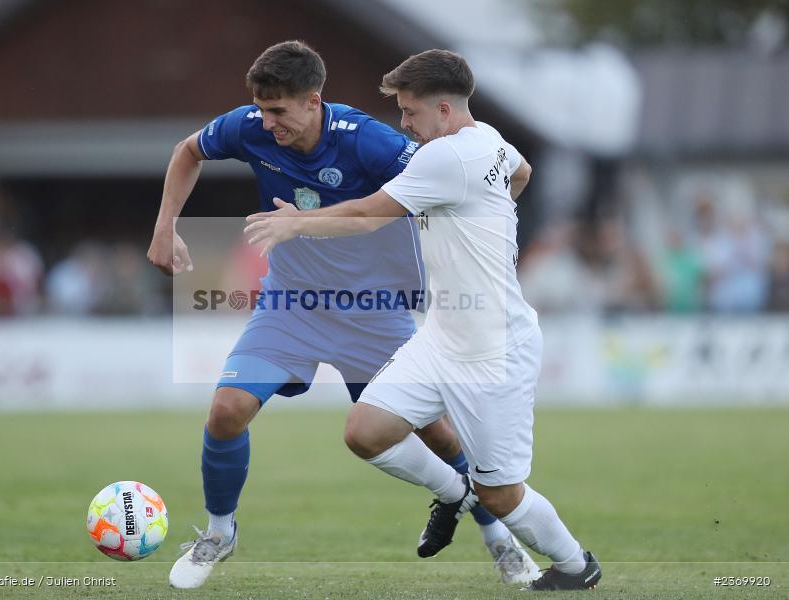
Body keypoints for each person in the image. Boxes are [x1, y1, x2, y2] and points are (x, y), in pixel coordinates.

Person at [146, 41, 536, 589]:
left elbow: (395, 210)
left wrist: (303, 224)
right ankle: (218, 532)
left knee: (442, 438)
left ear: (314, 101)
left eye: (278, 110)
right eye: (260, 108)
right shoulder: (248, 127)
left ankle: (501, 539)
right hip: (292, 304)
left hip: (373, 312)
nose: (266, 121)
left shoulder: (373, 143)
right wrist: (166, 225)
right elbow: (188, 151)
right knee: (226, 410)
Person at [246, 49, 601, 591]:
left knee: (502, 495)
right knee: (366, 431)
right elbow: (521, 172)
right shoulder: (489, 139)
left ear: (441, 108)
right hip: (443, 336)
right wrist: (490, 219)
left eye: (409, 113)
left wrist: (299, 223)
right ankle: (453, 493)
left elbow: (367, 216)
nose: (404, 125)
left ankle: (577, 566)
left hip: (492, 348)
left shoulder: (446, 158)